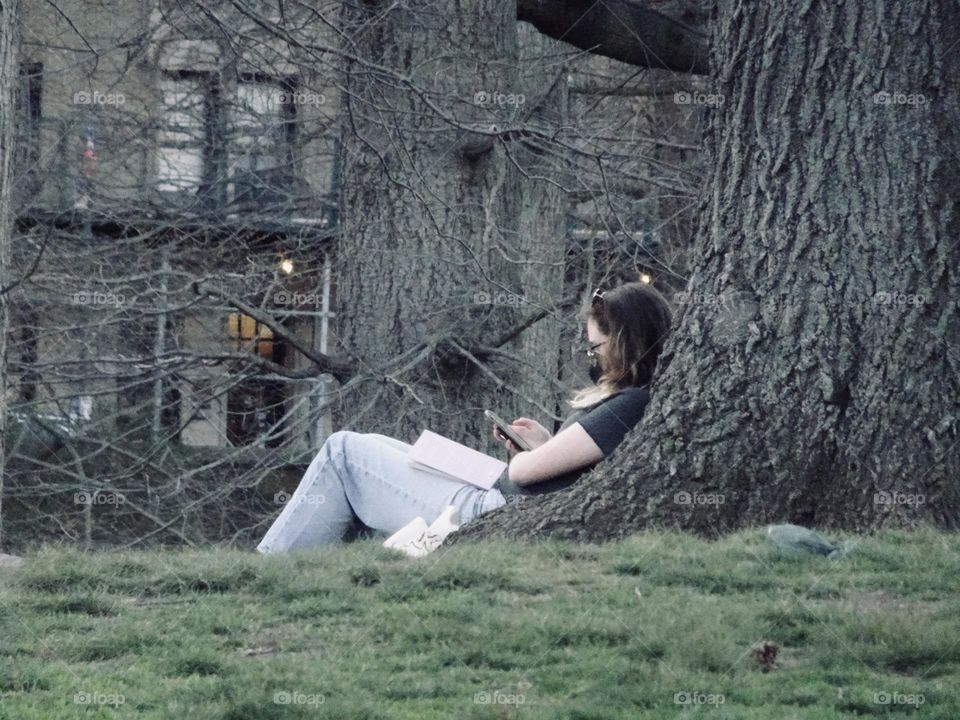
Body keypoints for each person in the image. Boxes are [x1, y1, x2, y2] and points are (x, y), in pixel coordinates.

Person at [255, 281, 673, 554]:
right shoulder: (631, 403)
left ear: (622, 343)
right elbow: (565, 464)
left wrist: (525, 456)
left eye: (595, 348)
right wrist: (547, 443)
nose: (592, 359)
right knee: (374, 445)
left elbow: (526, 474)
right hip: (498, 498)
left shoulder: (628, 404)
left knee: (343, 451)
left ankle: (269, 569)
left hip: (491, 511)